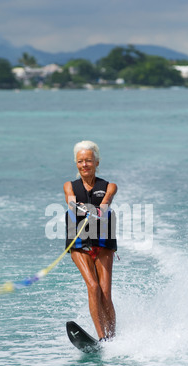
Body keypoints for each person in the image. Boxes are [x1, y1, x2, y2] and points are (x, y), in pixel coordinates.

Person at [63, 141, 117, 341]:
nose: (84, 164)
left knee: (105, 293)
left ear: (96, 162)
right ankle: (102, 337)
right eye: (80, 161)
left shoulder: (109, 186)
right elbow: (69, 200)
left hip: (103, 241)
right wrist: (76, 207)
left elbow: (107, 200)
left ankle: (112, 337)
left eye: (88, 161)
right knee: (92, 286)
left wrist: (99, 210)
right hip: (78, 242)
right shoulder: (69, 185)